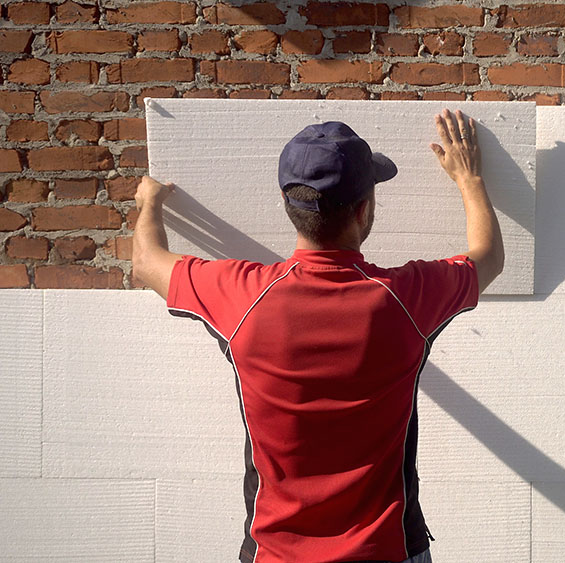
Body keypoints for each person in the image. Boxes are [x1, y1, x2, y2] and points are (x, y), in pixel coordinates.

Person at [132, 109, 504, 563]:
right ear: (364, 210)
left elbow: (147, 262)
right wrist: (468, 179)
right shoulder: (404, 301)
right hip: (386, 552)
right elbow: (488, 259)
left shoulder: (241, 298)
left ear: (290, 207)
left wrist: (150, 202)